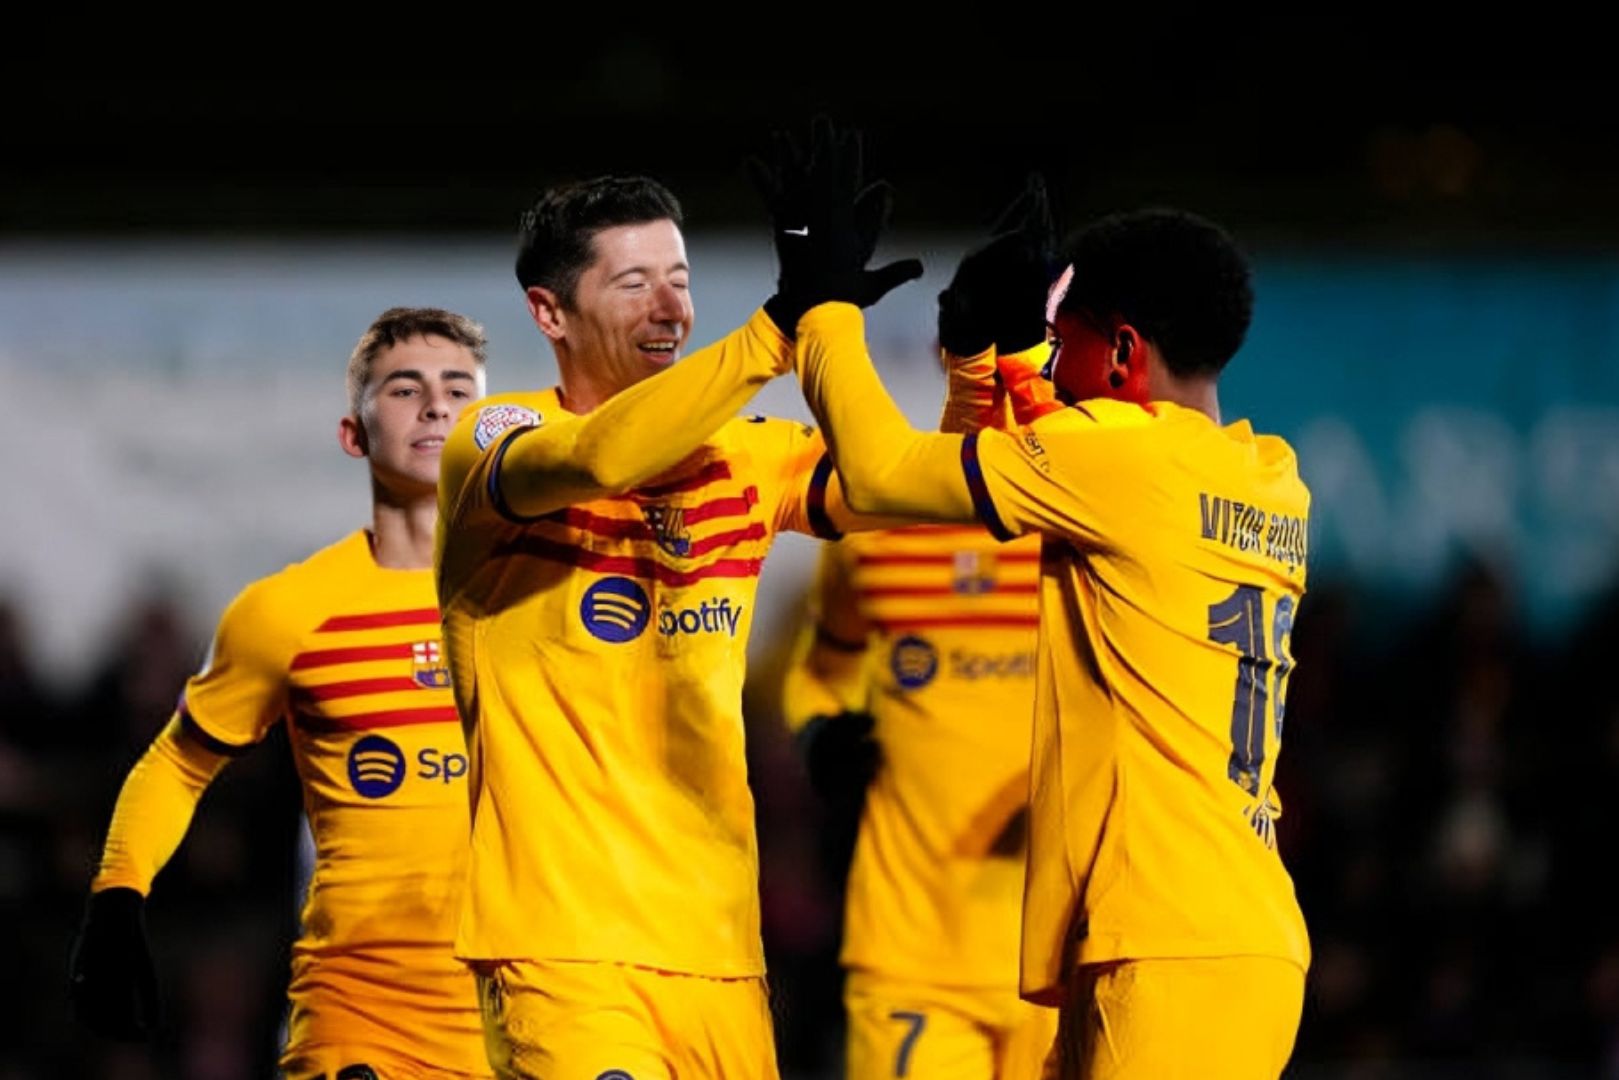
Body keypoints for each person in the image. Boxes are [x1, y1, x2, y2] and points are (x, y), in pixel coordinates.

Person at [434, 122, 925, 1079]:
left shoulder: (745, 450)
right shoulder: (494, 435)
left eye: (683, 280)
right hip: (562, 948)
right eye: (634, 283)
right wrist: (779, 326)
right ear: (549, 312)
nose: (670, 308)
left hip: (718, 958)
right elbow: (603, 454)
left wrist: (879, 335)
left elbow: (901, 483)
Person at [786, 200, 1311, 1079]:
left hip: (1169, 945)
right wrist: (1003, 355)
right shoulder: (1265, 474)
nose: (1052, 370)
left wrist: (821, 309)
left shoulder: (1122, 466)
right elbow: (1068, 440)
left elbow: (878, 474)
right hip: (1211, 934)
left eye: (1061, 343)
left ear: (1121, 353)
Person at [70, 307, 494, 1079]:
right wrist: (117, 895)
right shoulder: (289, 611)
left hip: (537, 1014)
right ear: (352, 435)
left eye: (457, 389)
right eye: (405, 390)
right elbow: (177, 764)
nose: (436, 406)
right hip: (360, 1028)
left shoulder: (549, 594)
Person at [781, 180, 1063, 1079]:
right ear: (946, 351)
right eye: (973, 339)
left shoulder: (1085, 526)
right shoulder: (880, 538)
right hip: (910, 953)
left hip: (1063, 953)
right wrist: (819, 732)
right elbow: (816, 670)